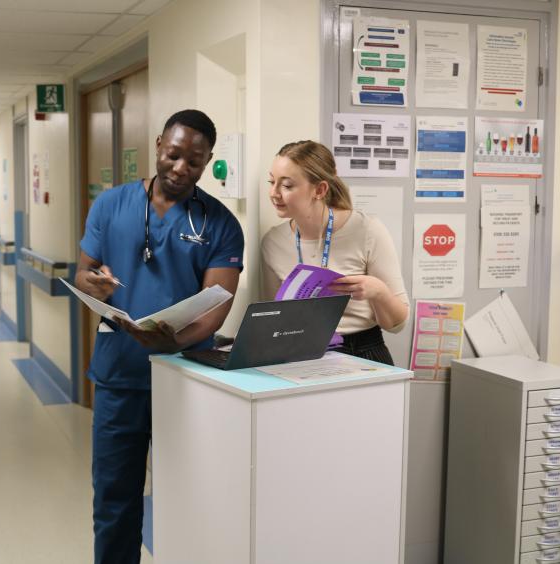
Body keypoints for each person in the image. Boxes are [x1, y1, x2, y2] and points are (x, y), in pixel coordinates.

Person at [75, 109, 244, 563]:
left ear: (207, 161)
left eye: (194, 160)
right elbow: (84, 271)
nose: (180, 168)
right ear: (157, 146)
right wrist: (94, 281)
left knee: (195, 498)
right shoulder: (110, 206)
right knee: (114, 499)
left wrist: (175, 341)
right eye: (173, 154)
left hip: (189, 380)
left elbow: (218, 303)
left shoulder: (221, 224)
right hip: (120, 378)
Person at [261, 140, 408, 364]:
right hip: (301, 355)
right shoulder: (273, 241)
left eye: (287, 186)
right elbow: (274, 318)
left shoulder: (367, 230)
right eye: (272, 182)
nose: (274, 193)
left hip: (362, 351)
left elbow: (397, 324)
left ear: (319, 190)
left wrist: (378, 291)